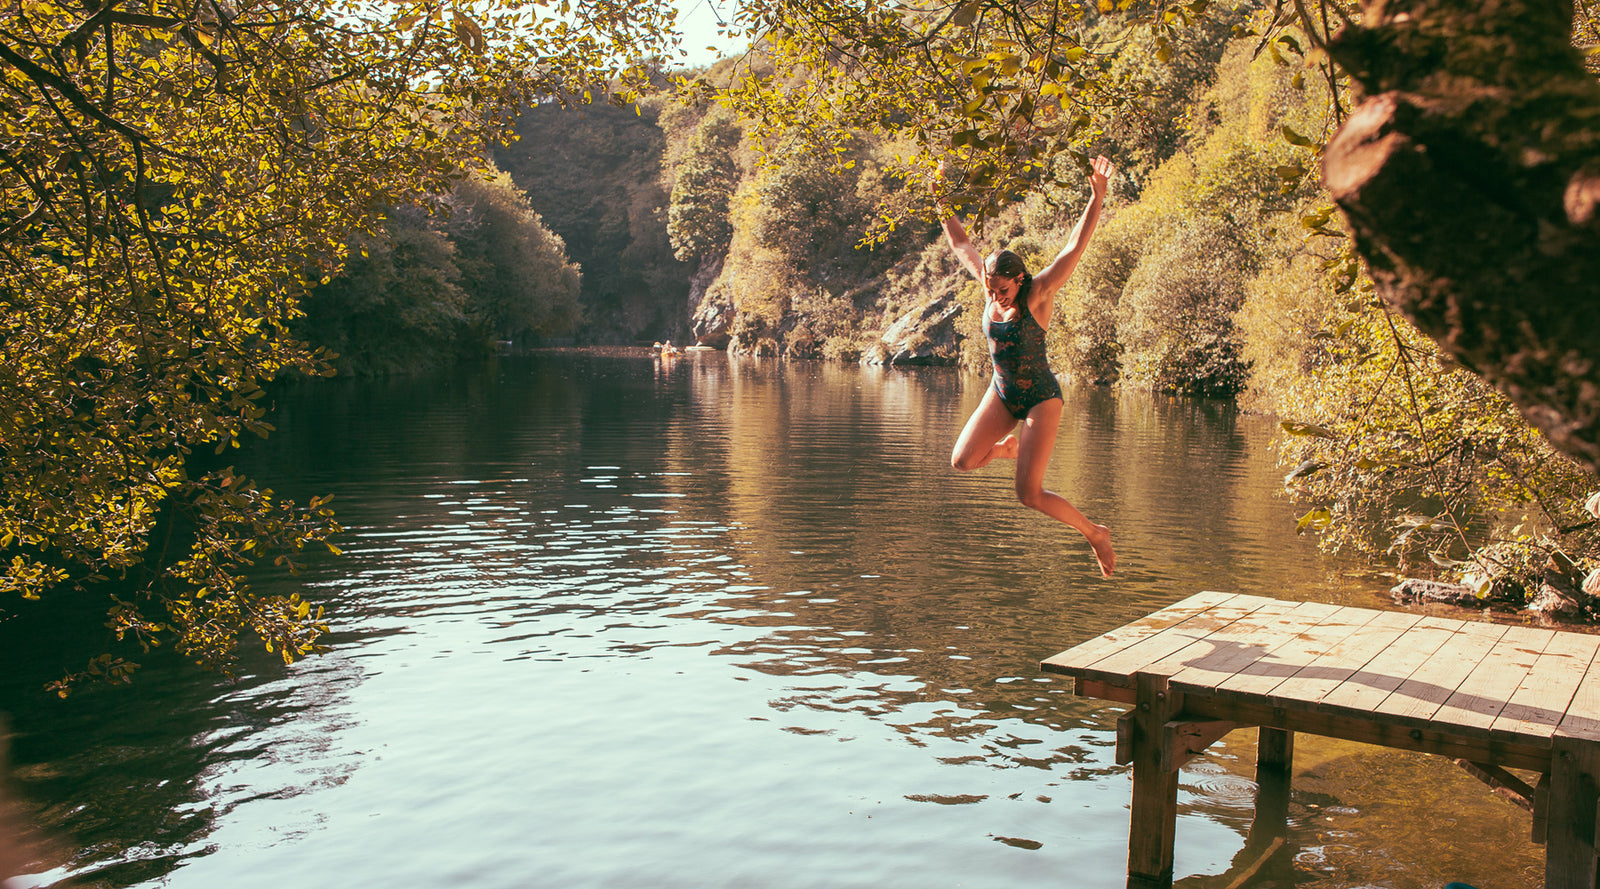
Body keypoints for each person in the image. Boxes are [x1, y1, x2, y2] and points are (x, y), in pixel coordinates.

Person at [941, 155, 1117, 577]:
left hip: (1039, 398)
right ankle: (1001, 450)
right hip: (1002, 392)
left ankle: (1094, 533)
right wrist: (939, 195)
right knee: (962, 462)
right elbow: (961, 244)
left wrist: (1097, 197)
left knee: (1029, 494)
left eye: (1001, 290)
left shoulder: (1038, 293)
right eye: (990, 289)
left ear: (1019, 281)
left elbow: (1075, 246)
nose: (995, 297)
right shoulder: (990, 286)